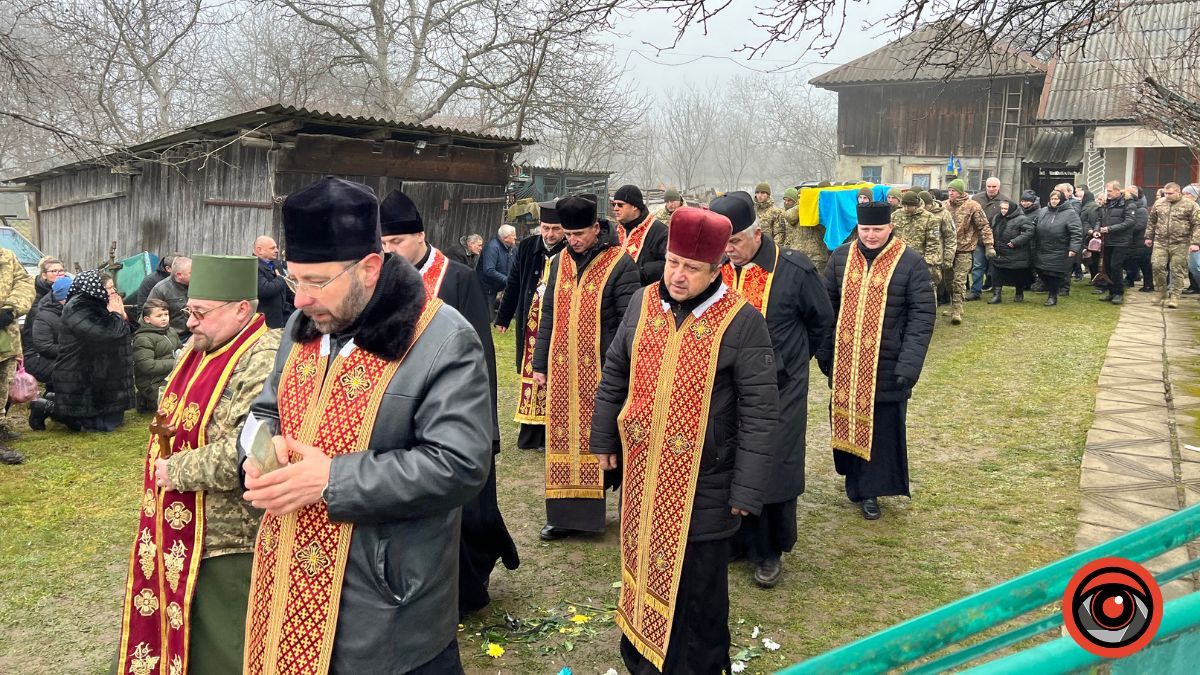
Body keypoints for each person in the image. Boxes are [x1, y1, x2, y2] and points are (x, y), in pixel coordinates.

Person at [238, 177, 492, 674]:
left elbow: (459, 465)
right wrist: (255, 453)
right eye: (293, 279)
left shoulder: (442, 339)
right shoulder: (303, 328)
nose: (299, 300)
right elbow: (267, 409)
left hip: (384, 609)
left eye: (316, 282)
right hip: (287, 584)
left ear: (370, 268)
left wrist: (332, 479)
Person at [591, 206, 779, 674]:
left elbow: (760, 412)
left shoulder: (742, 321)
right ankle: (642, 657)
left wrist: (747, 489)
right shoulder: (642, 303)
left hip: (706, 480)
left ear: (716, 270)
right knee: (640, 563)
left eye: (692, 268)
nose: (677, 275)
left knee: (698, 588)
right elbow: (615, 371)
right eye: (673, 262)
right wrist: (604, 436)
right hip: (643, 472)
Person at [114, 255, 279, 675]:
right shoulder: (200, 346)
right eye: (189, 311)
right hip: (174, 529)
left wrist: (176, 470)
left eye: (200, 313)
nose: (190, 323)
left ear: (241, 309)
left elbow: (249, 451)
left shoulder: (264, 358)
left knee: (222, 653)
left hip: (228, 540)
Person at [378, 187, 517, 615]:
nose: (390, 251)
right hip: (402, 410)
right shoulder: (381, 279)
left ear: (420, 236)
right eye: (383, 243)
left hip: (453, 408)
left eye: (397, 241)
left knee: (465, 505)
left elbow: (482, 357)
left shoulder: (456, 278)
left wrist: (484, 426)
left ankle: (466, 588)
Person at [711, 191, 833, 588]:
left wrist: (791, 362)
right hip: (727, 387)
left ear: (757, 234)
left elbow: (821, 322)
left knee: (772, 463)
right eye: (723, 243)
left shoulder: (794, 270)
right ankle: (735, 540)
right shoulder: (716, 270)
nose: (729, 250)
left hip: (782, 386)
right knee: (730, 458)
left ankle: (768, 550)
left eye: (735, 242)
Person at [817, 201, 935, 520]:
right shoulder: (840, 257)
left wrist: (909, 365)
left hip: (888, 366)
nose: (871, 235)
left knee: (881, 431)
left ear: (890, 228)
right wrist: (825, 352)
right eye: (865, 229)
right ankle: (855, 484)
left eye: (877, 230)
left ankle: (871, 491)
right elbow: (826, 308)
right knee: (847, 423)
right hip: (846, 365)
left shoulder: (910, 262)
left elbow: (922, 317)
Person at [532, 194, 640, 541]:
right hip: (563, 369)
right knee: (563, 438)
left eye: (579, 234)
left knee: (604, 439)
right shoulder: (559, 262)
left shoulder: (620, 263)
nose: (573, 241)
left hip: (604, 370)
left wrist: (623, 369)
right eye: (568, 234)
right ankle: (565, 517)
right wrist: (539, 363)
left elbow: (629, 322)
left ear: (596, 228)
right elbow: (548, 315)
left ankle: (616, 512)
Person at [495, 199, 567, 451]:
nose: (550, 234)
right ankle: (532, 434)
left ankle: (553, 433)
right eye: (546, 228)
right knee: (532, 374)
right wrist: (503, 317)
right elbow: (514, 283)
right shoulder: (526, 247)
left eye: (556, 229)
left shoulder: (571, 249)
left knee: (556, 375)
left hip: (558, 326)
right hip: (531, 326)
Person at [47, 271, 132, 432]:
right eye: (109, 288)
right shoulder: (78, 307)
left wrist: (122, 315)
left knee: (109, 419)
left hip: (102, 369)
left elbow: (125, 330)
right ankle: (46, 407)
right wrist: (115, 314)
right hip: (81, 369)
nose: (113, 291)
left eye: (113, 287)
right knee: (86, 420)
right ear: (95, 288)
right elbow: (105, 333)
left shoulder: (103, 302)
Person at [0, 245, 34, 464]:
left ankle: (0, 427)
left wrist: (11, 309)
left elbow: (24, 282)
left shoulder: (6, 255)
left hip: (5, 334)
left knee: (4, 384)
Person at [945, 179, 994, 324]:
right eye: (949, 190)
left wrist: (989, 245)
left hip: (964, 249)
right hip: (947, 249)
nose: (950, 193)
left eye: (953, 190)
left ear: (960, 191)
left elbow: (984, 226)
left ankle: (957, 310)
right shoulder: (944, 205)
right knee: (948, 280)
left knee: (959, 280)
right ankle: (953, 304)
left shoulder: (973, 206)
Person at [1145, 182, 1200, 309]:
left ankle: (1175, 295)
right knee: (1157, 266)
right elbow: (1152, 220)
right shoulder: (1159, 203)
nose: (1167, 196)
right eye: (1165, 193)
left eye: (1170, 193)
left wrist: (1195, 242)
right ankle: (1161, 291)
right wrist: (1148, 236)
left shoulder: (1191, 205)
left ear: (1178, 192)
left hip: (1181, 242)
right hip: (1161, 241)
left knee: (1177, 269)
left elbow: (1197, 225)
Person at [25, 274, 71, 422]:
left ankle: (50, 402)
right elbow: (44, 346)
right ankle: (47, 407)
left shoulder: (68, 310)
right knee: (72, 371)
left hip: (58, 355)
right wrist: (72, 350)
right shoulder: (42, 315)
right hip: (36, 358)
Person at [1032, 189, 1084, 307]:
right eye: (1052, 199)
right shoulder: (1043, 211)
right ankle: (1048, 288)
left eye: (1056, 199)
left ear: (1061, 200)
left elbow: (1076, 232)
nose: (1054, 201)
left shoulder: (1070, 213)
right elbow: (1034, 224)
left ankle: (1052, 295)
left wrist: (1073, 248)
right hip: (1042, 247)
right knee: (1041, 271)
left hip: (1059, 248)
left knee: (1054, 274)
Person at [131, 299, 182, 413]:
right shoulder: (143, 338)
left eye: (166, 314)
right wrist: (176, 362)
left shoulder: (171, 331)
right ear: (147, 319)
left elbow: (180, 349)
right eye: (159, 316)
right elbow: (147, 366)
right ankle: (146, 399)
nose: (164, 318)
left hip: (171, 377)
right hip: (152, 384)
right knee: (176, 408)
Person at [612, 184, 669, 285]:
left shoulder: (661, 231)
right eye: (614, 204)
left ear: (634, 206)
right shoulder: (614, 230)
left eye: (620, 205)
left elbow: (668, 264)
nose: (615, 208)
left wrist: (640, 271)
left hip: (643, 289)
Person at [891, 191, 944, 286]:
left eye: (909, 206)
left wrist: (928, 263)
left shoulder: (929, 218)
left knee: (924, 287)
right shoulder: (895, 215)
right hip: (900, 259)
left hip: (920, 260)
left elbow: (933, 243)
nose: (906, 208)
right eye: (904, 206)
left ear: (916, 205)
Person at [1097, 180, 1136, 305]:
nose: (1107, 193)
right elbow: (1100, 218)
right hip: (1107, 240)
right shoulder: (1106, 203)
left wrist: (1110, 229)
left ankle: (1119, 292)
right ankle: (1111, 291)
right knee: (1107, 267)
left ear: (1118, 190)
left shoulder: (1128, 203)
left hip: (1121, 241)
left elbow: (1130, 222)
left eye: (1110, 191)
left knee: (1115, 266)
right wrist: (1097, 230)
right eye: (1106, 191)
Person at [989, 200, 1036, 303]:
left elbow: (1029, 232)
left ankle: (1019, 293)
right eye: (1002, 208)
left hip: (1016, 252)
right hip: (1000, 251)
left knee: (1017, 274)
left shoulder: (1022, 219)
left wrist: (1016, 242)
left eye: (1005, 209)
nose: (1003, 211)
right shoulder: (997, 218)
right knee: (997, 273)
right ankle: (997, 295)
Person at [972, 177, 1010, 293]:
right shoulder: (976, 199)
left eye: (994, 187)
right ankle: (975, 291)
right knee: (978, 265)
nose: (991, 189)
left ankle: (995, 287)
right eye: (989, 186)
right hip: (979, 238)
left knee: (995, 265)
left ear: (999, 187)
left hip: (996, 239)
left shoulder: (1005, 200)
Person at [147, 255, 193, 339]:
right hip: (174, 337)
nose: (196, 275)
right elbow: (149, 317)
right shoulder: (161, 290)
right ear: (179, 275)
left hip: (195, 334)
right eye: (191, 273)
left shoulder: (198, 286)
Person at [920, 190, 957, 294]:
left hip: (938, 257)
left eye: (925, 206)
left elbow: (950, 237)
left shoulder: (943, 214)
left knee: (940, 284)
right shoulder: (919, 214)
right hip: (922, 255)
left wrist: (948, 258)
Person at [478, 224, 517, 318]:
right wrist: (507, 280)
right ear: (505, 238)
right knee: (488, 317)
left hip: (501, 286)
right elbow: (489, 270)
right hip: (487, 288)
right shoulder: (492, 247)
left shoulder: (512, 248)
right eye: (513, 235)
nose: (515, 237)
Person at [254, 235, 293, 328]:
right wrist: (281, 279)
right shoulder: (253, 266)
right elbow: (265, 290)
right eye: (272, 248)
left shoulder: (276, 264)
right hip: (265, 322)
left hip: (281, 317)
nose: (277, 250)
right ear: (259, 250)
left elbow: (286, 289)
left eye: (276, 247)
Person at [1124, 186, 1151, 291]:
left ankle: (1148, 284)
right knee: (1130, 261)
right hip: (1130, 240)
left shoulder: (1142, 210)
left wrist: (1125, 230)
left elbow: (1140, 225)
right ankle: (1130, 280)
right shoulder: (1129, 207)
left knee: (1144, 264)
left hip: (1140, 240)